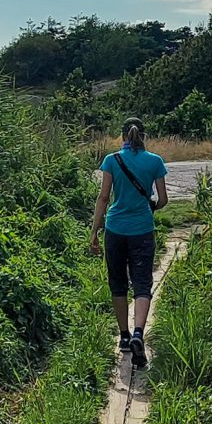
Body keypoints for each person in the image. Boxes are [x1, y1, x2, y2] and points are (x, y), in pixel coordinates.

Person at [87, 117, 167, 368]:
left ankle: (123, 336)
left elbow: (103, 198)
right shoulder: (155, 161)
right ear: (144, 136)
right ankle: (138, 334)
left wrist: (94, 232)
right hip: (142, 229)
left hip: (115, 229)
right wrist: (148, 207)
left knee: (118, 282)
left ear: (122, 136)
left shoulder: (111, 160)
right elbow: (163, 199)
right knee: (142, 283)